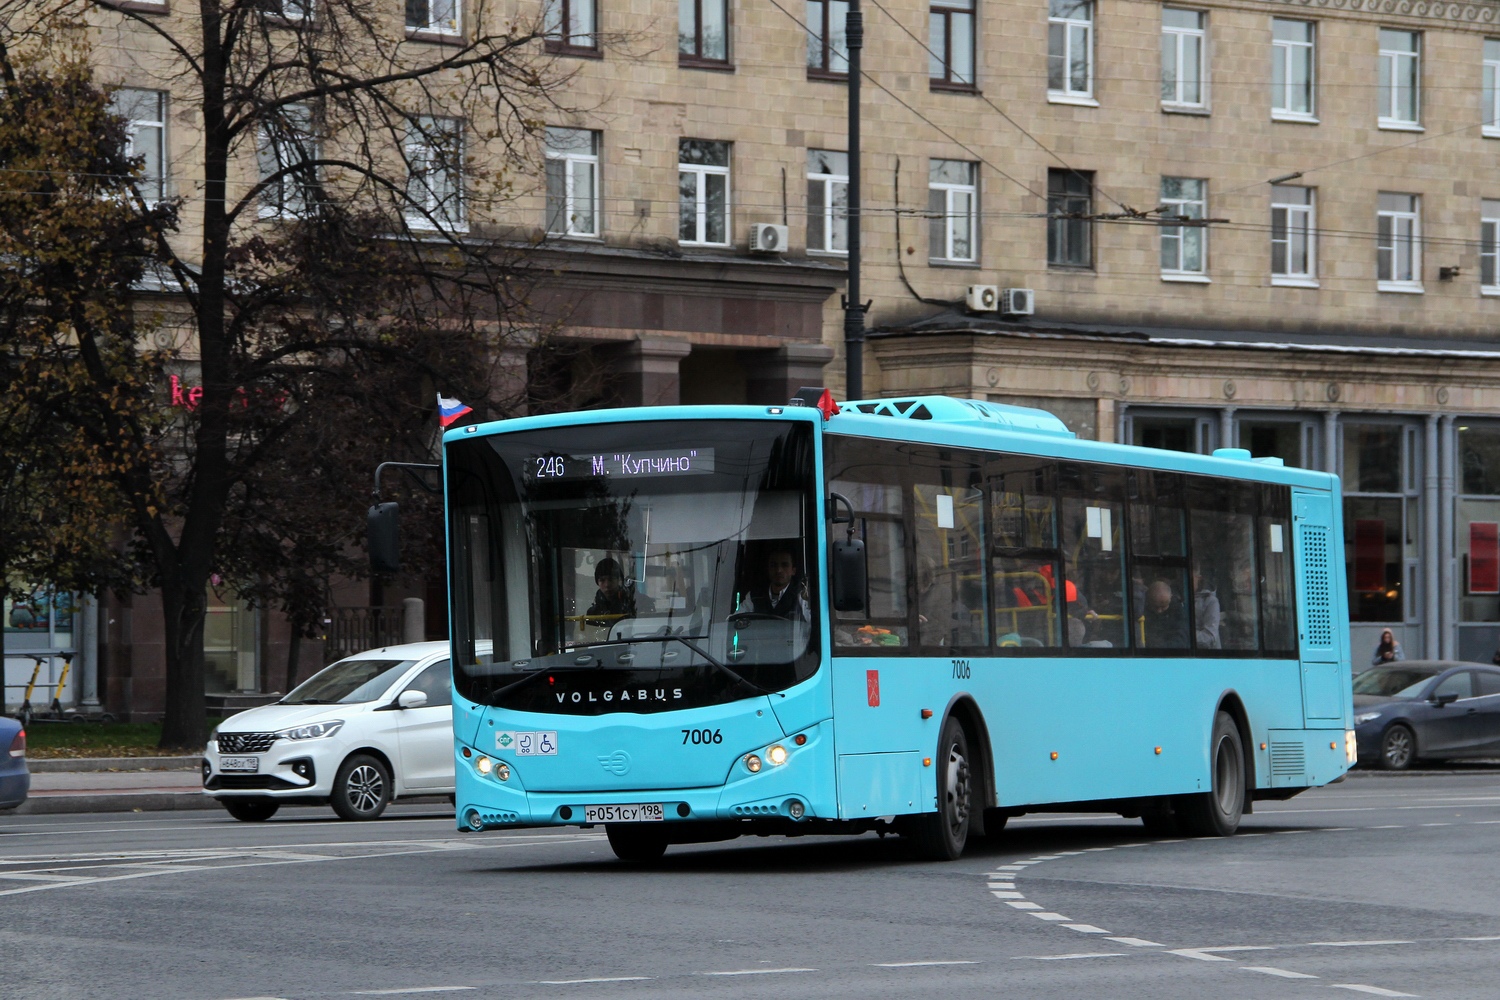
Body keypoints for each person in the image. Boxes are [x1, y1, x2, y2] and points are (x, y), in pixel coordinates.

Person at [742, 545, 809, 623]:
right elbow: (735, 621)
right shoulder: (754, 596)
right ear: (768, 569)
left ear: (793, 571)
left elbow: (814, 624)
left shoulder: (802, 596)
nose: (779, 570)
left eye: (784, 565)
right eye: (774, 565)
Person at [1142, 579, 1189, 649]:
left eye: (1163, 607)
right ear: (1148, 599)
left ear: (1170, 598)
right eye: (1155, 606)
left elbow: (1181, 638)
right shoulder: (1142, 610)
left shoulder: (1177, 611)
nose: (1159, 611)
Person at [1193, 567, 1221, 649]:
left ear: (1198, 578)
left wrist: (1186, 635)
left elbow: (1209, 638)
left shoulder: (1210, 601)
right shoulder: (1175, 598)